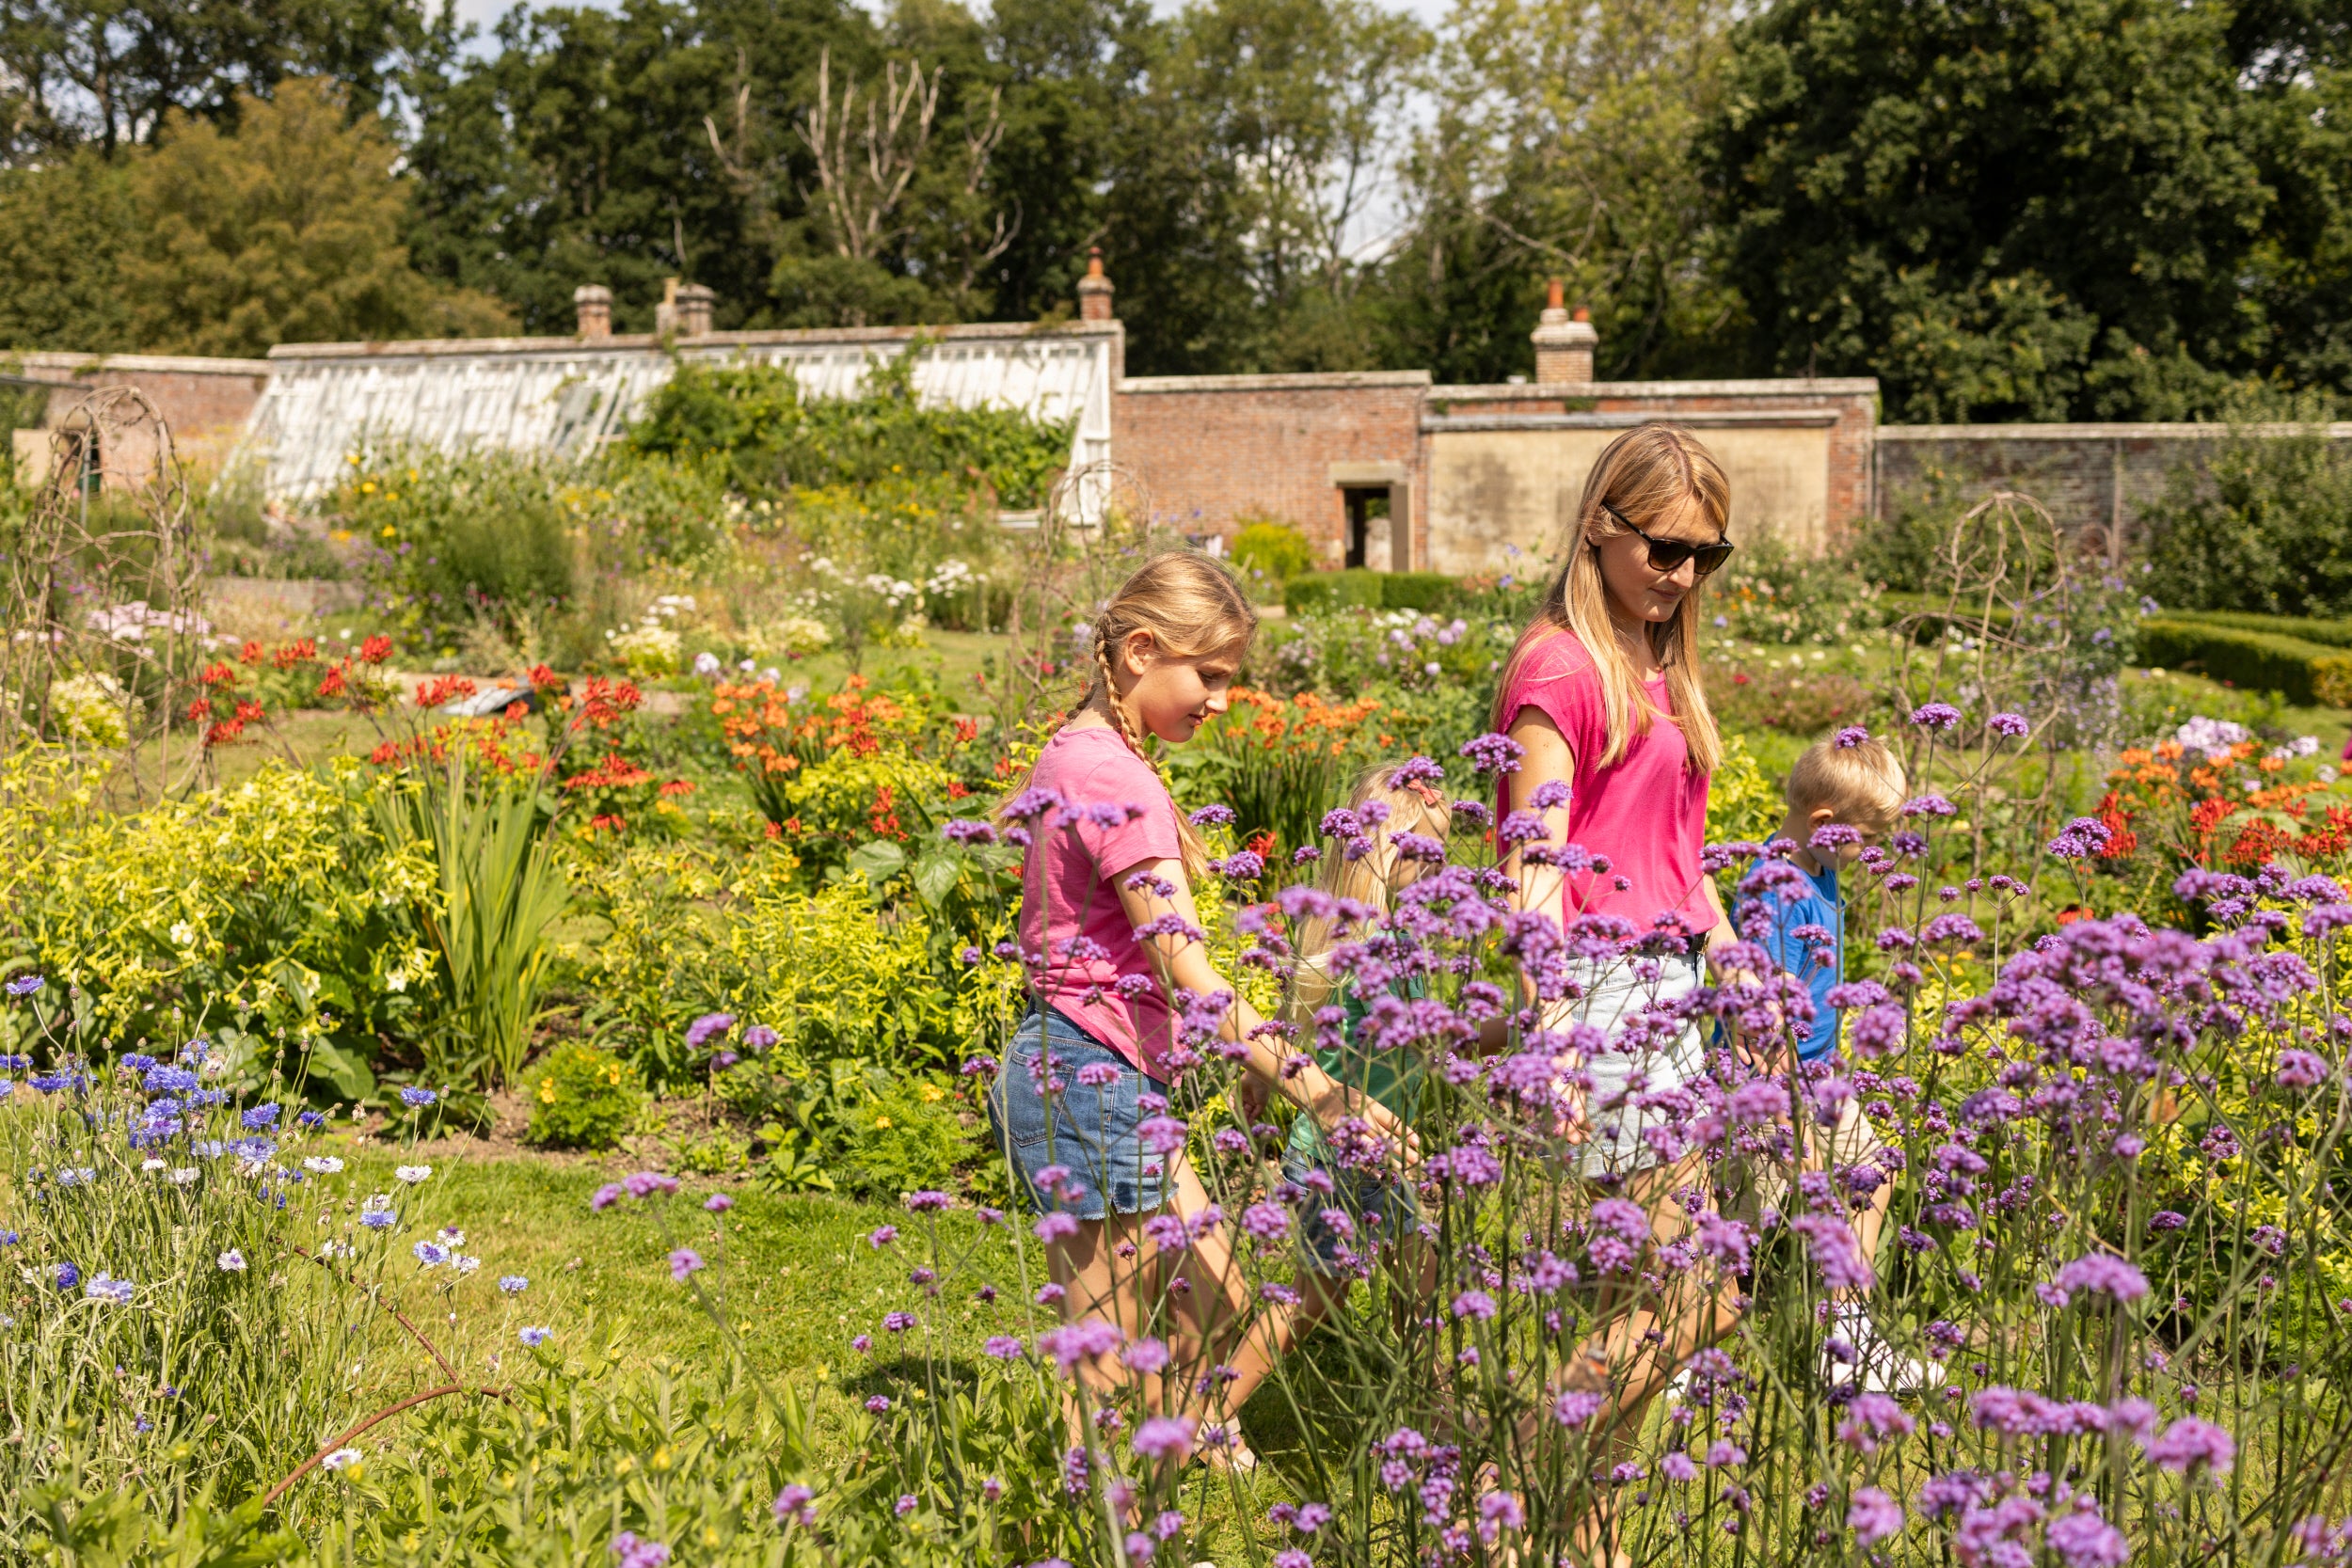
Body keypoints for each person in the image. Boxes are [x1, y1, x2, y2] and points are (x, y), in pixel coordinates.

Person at [986, 551, 1416, 1455]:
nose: (1222, 699)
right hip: (1085, 1076)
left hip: (1100, 1073)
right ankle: (1099, 1522)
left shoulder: (1082, 747)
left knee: (1214, 1311)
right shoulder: (1119, 780)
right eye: (1209, 674)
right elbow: (1201, 991)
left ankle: (1165, 1479)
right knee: (1104, 1366)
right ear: (1143, 649)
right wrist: (1331, 1098)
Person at [1487, 422, 1746, 1560]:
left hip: (1674, 984)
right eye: (1665, 548)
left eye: (1707, 555)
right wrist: (1547, 1029)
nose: (1682, 574)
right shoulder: (1561, 669)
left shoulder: (1657, 662)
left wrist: (1734, 962)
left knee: (1638, 1285)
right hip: (1601, 995)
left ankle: (1578, 1526)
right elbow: (1532, 859)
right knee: (1702, 1287)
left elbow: (1677, 855)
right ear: (1600, 523)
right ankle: (1502, 1493)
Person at [1210, 763, 1450, 1418]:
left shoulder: (1366, 938)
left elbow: (1293, 1027)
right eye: (1423, 854)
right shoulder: (1374, 951)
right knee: (1318, 1296)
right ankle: (1212, 1413)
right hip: (1341, 1153)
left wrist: (1254, 1080)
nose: (1438, 870)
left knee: (1417, 1283)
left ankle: (1434, 1409)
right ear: (1380, 853)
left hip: (1378, 1145)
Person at [1747, 732, 1943, 1391]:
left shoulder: (1821, 868)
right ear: (1826, 825)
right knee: (1742, 1224)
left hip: (1817, 1077)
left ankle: (1847, 1336)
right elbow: (1757, 1011)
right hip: (1768, 1087)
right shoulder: (1777, 890)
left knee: (1872, 1176)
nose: (1874, 852)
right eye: (1870, 836)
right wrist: (1788, 1109)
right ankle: (1680, 1352)